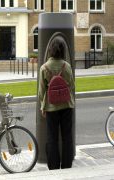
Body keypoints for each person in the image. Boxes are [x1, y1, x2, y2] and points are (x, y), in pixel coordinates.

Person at [38, 36, 75, 170]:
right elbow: (71, 86)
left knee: (52, 138)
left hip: (51, 107)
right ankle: (66, 165)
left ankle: (53, 166)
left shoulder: (44, 68)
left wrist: (43, 107)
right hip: (66, 105)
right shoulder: (67, 66)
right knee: (67, 137)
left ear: (50, 50)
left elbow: (41, 91)